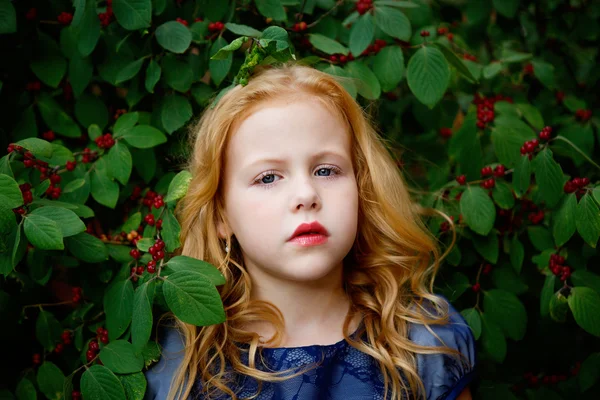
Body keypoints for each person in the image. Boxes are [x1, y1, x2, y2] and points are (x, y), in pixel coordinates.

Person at [144, 62, 477, 400]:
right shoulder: (179, 365)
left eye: (326, 170)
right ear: (221, 216)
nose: (306, 195)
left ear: (362, 188)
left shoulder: (423, 346)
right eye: (268, 177)